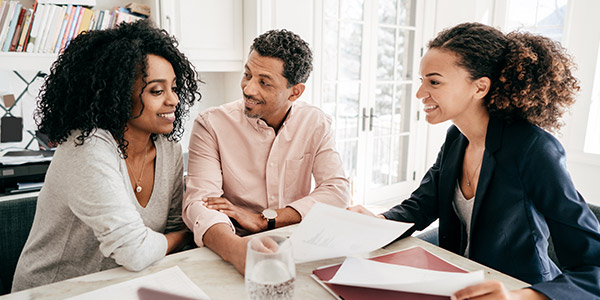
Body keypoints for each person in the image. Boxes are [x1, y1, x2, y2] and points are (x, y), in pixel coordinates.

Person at [349, 22, 600, 299]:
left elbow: (592, 262)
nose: (420, 94)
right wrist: (376, 221)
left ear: (480, 88)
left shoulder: (533, 148)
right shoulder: (457, 138)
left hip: (515, 289)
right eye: (421, 81)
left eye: (434, 81)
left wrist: (520, 297)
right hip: (461, 283)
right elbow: (421, 205)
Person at [12, 20, 201, 291]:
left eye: (174, 87)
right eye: (157, 91)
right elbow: (136, 250)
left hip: (122, 285)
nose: (174, 100)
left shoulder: (168, 149)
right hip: (54, 291)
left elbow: (170, 226)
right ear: (119, 95)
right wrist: (184, 235)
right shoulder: (86, 148)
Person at [182, 29, 350, 272]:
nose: (249, 89)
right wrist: (236, 249)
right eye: (247, 75)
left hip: (297, 244)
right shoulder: (210, 124)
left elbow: (337, 191)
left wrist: (268, 219)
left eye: (264, 82)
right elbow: (199, 203)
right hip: (230, 244)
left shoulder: (316, 123)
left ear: (295, 91)